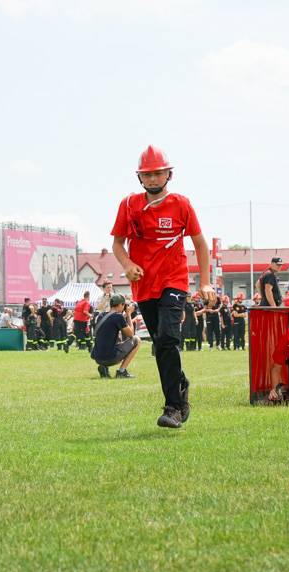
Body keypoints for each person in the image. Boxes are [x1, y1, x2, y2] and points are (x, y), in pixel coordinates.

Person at [111, 145, 214, 429]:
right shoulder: (129, 205)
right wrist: (127, 265)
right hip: (144, 285)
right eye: (148, 174)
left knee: (168, 338)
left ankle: (173, 408)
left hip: (174, 280)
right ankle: (180, 386)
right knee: (161, 344)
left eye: (158, 173)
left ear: (169, 174)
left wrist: (205, 281)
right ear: (140, 178)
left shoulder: (181, 204)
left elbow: (200, 244)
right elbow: (118, 244)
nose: (153, 179)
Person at [92, 294, 141, 378]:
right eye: (124, 305)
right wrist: (128, 314)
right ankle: (121, 371)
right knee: (137, 340)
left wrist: (123, 316)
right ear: (120, 305)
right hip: (110, 358)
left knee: (113, 339)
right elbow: (131, 334)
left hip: (98, 357)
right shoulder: (118, 317)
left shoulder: (101, 316)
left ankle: (104, 367)